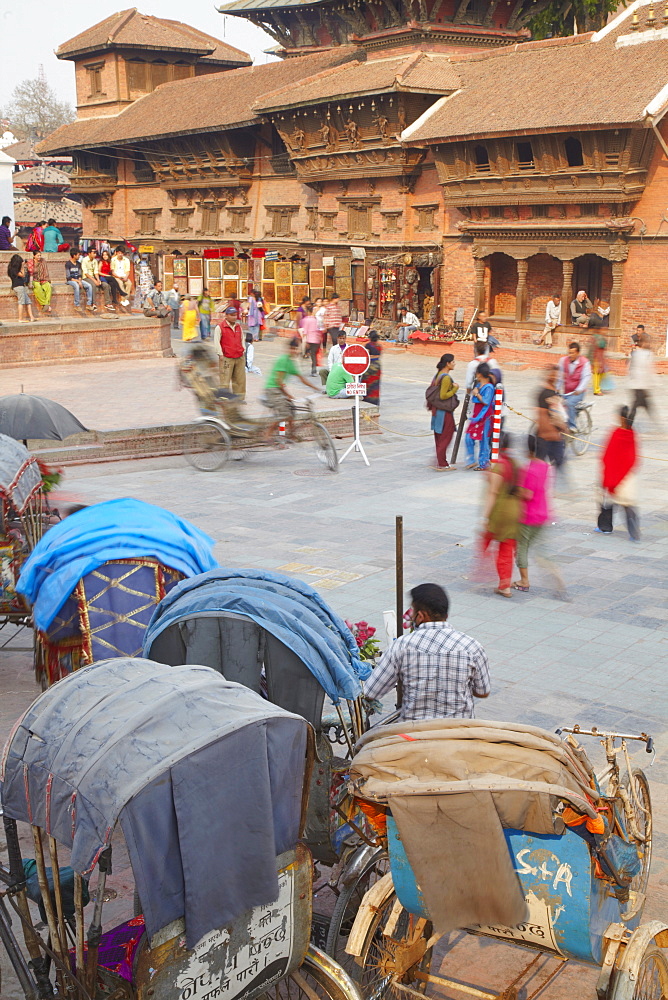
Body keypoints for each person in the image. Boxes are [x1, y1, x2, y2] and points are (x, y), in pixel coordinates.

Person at [363, 582, 490, 722]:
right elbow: (482, 692)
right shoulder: (472, 647)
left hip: (414, 734)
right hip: (458, 733)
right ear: (446, 614)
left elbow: (371, 692)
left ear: (421, 615)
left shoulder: (401, 646)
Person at [513, 435, 559, 593]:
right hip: (544, 513)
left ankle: (524, 580)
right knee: (540, 550)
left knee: (522, 548)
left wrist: (515, 489)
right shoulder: (546, 466)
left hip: (528, 515)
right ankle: (554, 573)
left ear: (530, 451)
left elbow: (527, 494)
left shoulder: (528, 469)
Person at [479, 432, 520, 598]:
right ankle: (507, 582)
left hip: (501, 512)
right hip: (516, 510)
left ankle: (504, 585)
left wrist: (485, 517)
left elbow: (493, 492)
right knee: (508, 548)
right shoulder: (515, 463)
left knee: (499, 549)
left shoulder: (500, 466)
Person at [597, 406, 640, 541]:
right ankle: (634, 533)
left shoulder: (616, 433)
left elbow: (607, 456)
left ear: (621, 418)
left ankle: (605, 527)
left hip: (613, 475)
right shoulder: (632, 435)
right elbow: (633, 457)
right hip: (627, 476)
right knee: (627, 505)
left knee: (607, 503)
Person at [264, 337, 315, 438]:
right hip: (272, 389)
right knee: (284, 413)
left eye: (296, 349)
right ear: (288, 349)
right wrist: (287, 394)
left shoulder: (291, 362)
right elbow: (278, 381)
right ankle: (267, 434)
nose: (294, 351)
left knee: (292, 411)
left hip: (280, 389)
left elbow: (302, 378)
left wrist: (317, 389)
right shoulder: (283, 360)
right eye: (292, 348)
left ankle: (291, 434)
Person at [426, 353, 459, 471]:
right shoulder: (446, 378)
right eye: (453, 362)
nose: (454, 364)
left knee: (439, 437)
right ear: (448, 363)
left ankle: (440, 461)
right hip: (444, 411)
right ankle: (442, 463)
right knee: (446, 436)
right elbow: (443, 395)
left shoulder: (438, 375)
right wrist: (455, 388)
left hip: (437, 410)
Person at [535, 365, 567, 470]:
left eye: (557, 375)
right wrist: (553, 434)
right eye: (553, 375)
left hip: (551, 436)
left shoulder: (553, 392)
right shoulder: (546, 394)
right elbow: (542, 416)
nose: (555, 377)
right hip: (549, 437)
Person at [464, 363, 495, 470]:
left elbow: (486, 401)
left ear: (480, 374)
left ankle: (484, 463)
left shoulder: (489, 387)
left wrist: (477, 394)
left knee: (484, 441)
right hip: (476, 416)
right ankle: (471, 460)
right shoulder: (478, 386)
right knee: (469, 437)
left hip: (484, 417)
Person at [557, 341, 591, 431]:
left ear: (578, 353)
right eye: (569, 352)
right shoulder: (563, 361)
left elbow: (586, 377)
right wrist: (556, 388)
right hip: (567, 391)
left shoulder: (585, 362)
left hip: (578, 393)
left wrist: (579, 389)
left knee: (569, 403)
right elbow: (560, 376)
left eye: (573, 353)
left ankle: (572, 426)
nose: (570, 355)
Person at [628, 332, 659, 428]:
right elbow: (649, 369)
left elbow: (630, 368)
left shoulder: (636, 353)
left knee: (642, 404)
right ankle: (628, 424)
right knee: (639, 405)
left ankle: (629, 424)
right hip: (641, 384)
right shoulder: (647, 354)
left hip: (635, 384)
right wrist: (654, 382)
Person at [214, 305, 246, 399]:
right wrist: (220, 354)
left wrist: (243, 349)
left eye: (235, 315)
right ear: (226, 316)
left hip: (239, 357)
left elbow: (242, 339)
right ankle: (224, 399)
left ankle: (239, 398)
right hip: (226, 358)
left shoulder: (238, 327)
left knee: (240, 380)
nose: (234, 317)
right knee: (225, 380)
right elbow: (216, 342)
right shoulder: (220, 327)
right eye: (232, 315)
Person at [7, 253, 35, 323]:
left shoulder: (12, 268)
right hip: (18, 287)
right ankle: (20, 318)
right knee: (21, 302)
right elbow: (23, 275)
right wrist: (22, 266)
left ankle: (32, 317)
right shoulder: (14, 270)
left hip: (18, 286)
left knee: (28, 301)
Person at [301, 304, 321, 377]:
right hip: (316, 339)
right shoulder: (315, 319)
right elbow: (318, 329)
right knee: (314, 355)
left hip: (309, 339)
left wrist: (304, 340)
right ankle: (314, 370)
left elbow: (305, 331)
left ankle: (305, 355)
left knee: (311, 354)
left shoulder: (306, 320)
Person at [363, 331, 382, 406]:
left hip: (370, 366)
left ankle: (368, 399)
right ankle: (375, 401)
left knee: (368, 383)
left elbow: (366, 355)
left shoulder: (368, 345)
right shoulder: (379, 346)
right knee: (376, 385)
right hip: (378, 366)